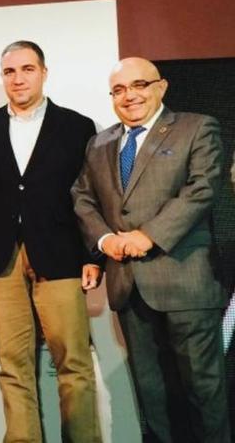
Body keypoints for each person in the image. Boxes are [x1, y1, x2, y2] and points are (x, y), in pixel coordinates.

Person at [0, 41, 100, 442]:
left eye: (27, 69)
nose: (18, 78)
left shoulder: (77, 126)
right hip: (1, 256)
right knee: (13, 364)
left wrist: (92, 255)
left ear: (44, 73)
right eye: (10, 72)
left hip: (61, 255)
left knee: (74, 364)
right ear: (2, 77)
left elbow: (90, 197)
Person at [72, 57, 229, 442]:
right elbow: (82, 198)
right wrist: (106, 240)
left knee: (203, 393)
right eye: (119, 89)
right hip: (127, 286)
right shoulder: (99, 143)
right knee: (152, 396)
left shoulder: (196, 127)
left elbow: (202, 189)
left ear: (161, 87)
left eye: (139, 85)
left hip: (186, 282)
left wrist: (149, 235)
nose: (130, 96)